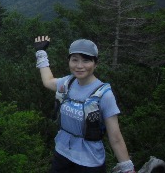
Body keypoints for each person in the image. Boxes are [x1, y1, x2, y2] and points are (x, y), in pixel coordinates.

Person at [34, 35, 135, 173]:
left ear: (95, 63)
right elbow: (48, 81)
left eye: (86, 60)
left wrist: (127, 167)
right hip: (62, 154)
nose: (79, 66)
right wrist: (41, 53)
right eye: (74, 60)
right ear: (69, 61)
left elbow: (115, 137)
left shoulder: (104, 95)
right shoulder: (67, 83)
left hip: (90, 162)